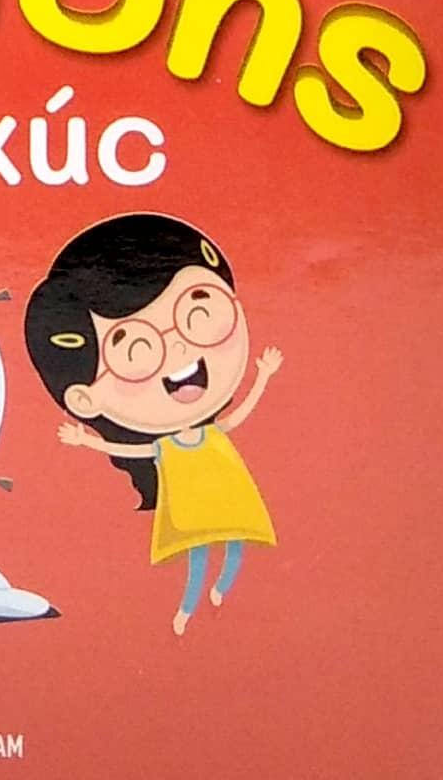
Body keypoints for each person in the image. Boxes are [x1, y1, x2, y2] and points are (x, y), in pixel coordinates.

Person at [25, 213, 282, 635]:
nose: (179, 347)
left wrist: (264, 376)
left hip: (230, 496)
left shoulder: (211, 433)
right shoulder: (164, 449)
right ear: (84, 398)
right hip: (189, 506)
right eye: (137, 351)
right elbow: (130, 449)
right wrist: (85, 441)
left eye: (200, 315)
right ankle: (186, 610)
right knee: (198, 554)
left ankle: (221, 590)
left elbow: (239, 414)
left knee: (236, 542)